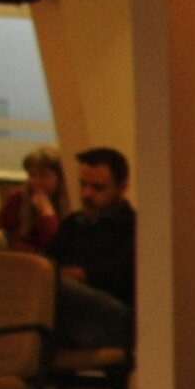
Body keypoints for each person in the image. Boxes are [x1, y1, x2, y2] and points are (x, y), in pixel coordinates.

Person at [48, 147, 136, 350]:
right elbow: (47, 260)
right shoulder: (72, 224)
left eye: (97, 188)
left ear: (122, 187)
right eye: (83, 185)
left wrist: (76, 275)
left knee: (54, 283)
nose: (87, 194)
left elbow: (118, 275)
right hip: (70, 308)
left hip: (114, 314)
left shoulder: (133, 228)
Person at [0, 146, 64, 255]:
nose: (36, 182)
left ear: (60, 178)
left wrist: (47, 213)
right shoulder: (18, 198)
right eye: (32, 175)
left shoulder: (72, 202)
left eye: (44, 175)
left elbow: (58, 246)